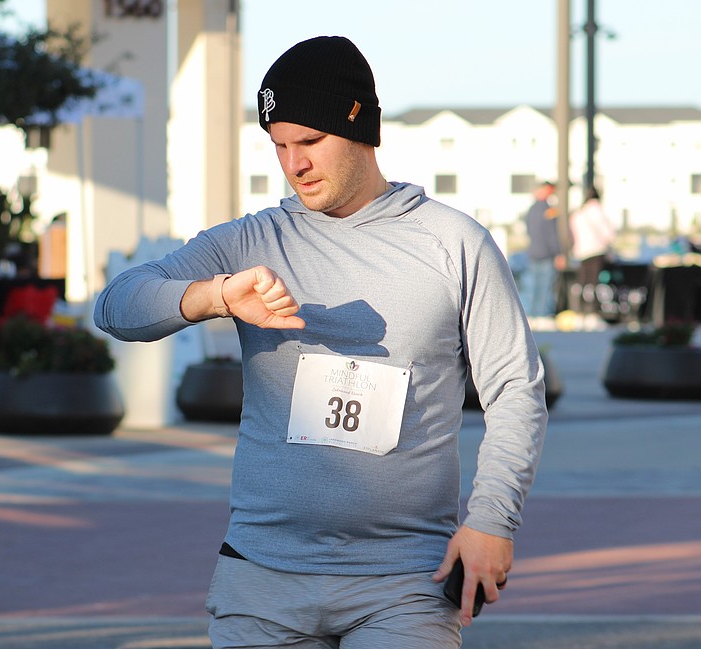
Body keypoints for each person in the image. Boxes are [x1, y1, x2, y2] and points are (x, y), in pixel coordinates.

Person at [95, 36, 547, 648]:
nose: (294, 163)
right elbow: (117, 304)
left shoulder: (454, 242)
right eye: (279, 145)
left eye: (310, 141)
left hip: (405, 583)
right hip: (261, 579)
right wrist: (218, 296)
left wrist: (493, 519)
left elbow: (516, 390)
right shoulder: (254, 241)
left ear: (361, 126)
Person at [569, 186, 615, 323]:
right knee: (594, 282)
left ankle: (581, 310)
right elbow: (608, 233)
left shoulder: (579, 213)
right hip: (596, 250)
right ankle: (592, 311)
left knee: (584, 281)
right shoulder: (597, 210)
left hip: (581, 251)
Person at [520, 181, 564, 324]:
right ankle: (542, 316)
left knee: (532, 287)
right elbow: (552, 234)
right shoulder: (548, 210)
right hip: (546, 254)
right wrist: (558, 253)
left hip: (533, 253)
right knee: (545, 288)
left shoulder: (531, 210)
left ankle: (531, 316)